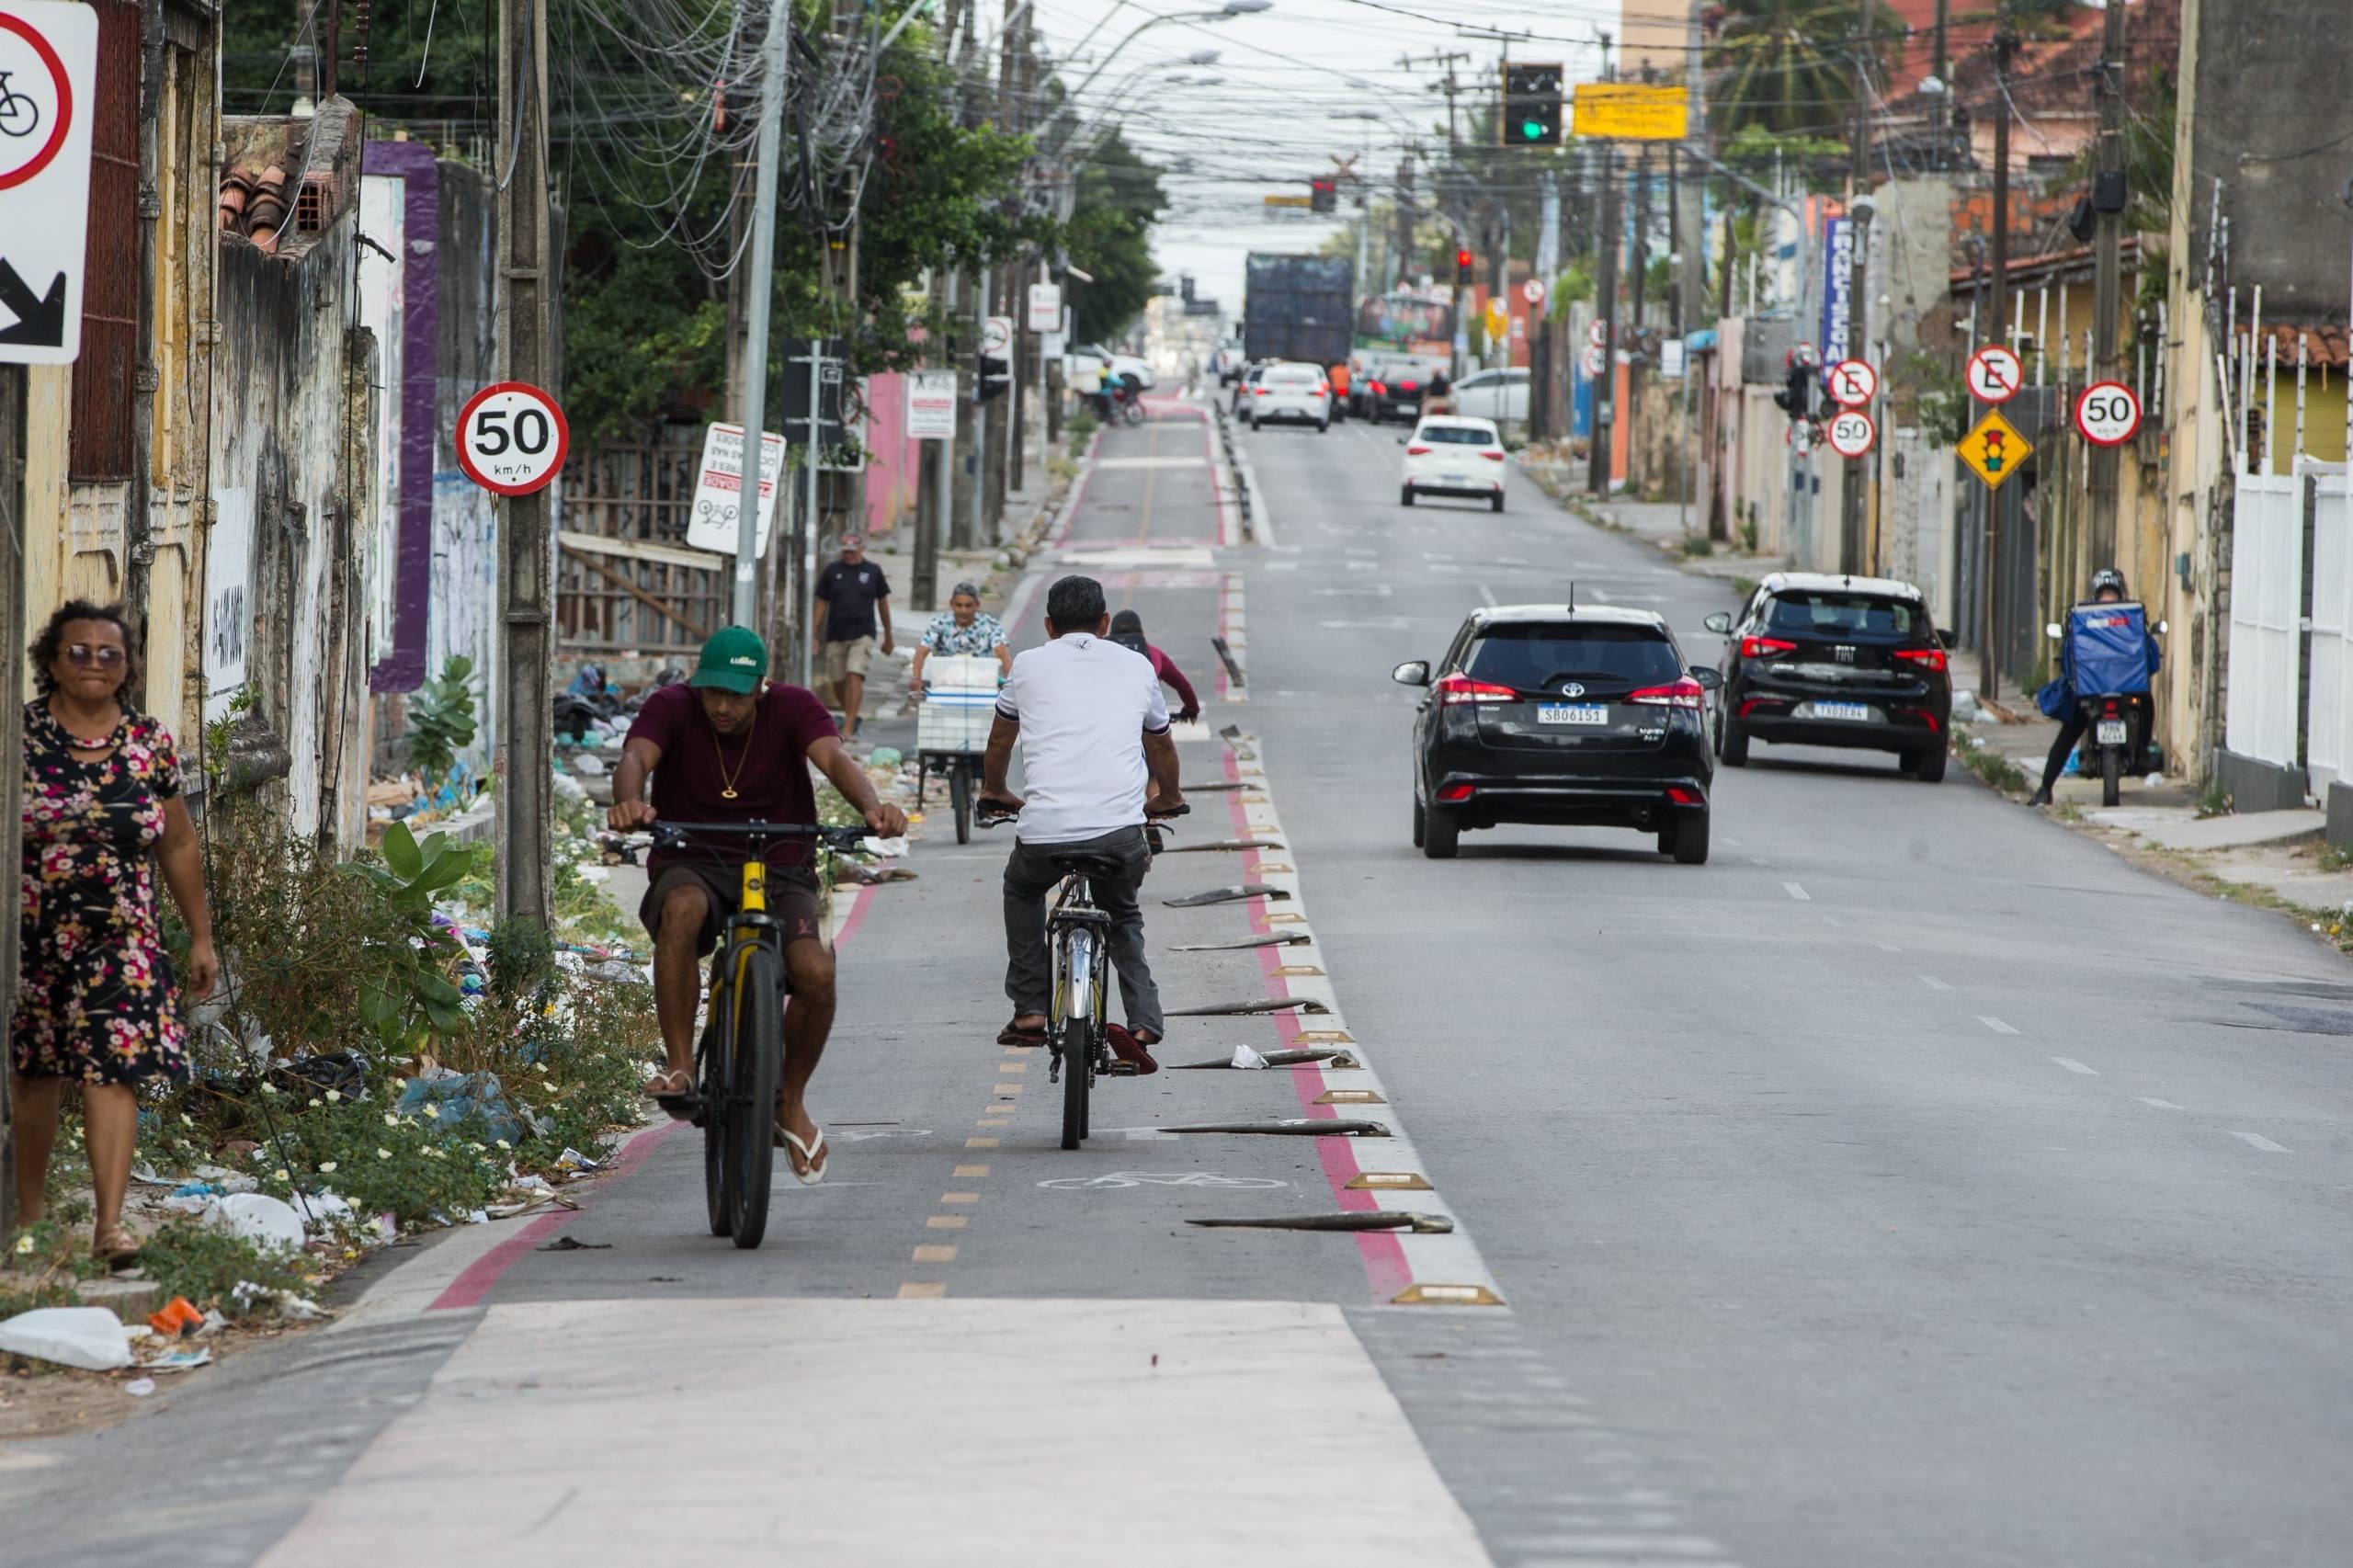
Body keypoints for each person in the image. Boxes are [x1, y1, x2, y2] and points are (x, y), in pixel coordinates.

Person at [608, 626, 907, 1184]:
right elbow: (635, 757)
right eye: (713, 693)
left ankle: (789, 1100)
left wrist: (872, 807)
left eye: (736, 696)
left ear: (761, 688)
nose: (722, 707)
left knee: (816, 970)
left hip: (783, 861)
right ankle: (679, 1066)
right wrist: (628, 801)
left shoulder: (795, 707)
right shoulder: (671, 706)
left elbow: (834, 759)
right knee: (684, 910)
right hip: (691, 856)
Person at [13, 600, 218, 1267]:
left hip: (123, 936)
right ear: (50, 662)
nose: (94, 664)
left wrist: (201, 936)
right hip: (29, 935)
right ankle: (33, 1220)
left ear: (127, 667)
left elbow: (179, 844)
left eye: (109, 653)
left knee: (114, 1069)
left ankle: (109, 1228)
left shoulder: (149, 743)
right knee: (36, 1074)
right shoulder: (18, 738)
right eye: (78, 651)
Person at [979, 576, 1185, 1062]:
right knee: (1122, 911)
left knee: (1023, 889)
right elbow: (1161, 743)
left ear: (1049, 626)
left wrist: (995, 791)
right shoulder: (1137, 666)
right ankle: (1144, 1021)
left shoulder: (1026, 666)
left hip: (1044, 833)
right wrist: (1168, 798)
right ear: (1105, 623)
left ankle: (1030, 1009)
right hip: (1119, 832)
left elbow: (999, 743)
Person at [2030, 567, 2161, 807]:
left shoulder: (2090, 618)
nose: (2108, 600)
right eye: (2106, 595)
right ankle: (2045, 786)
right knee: (2069, 732)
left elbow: (2069, 663)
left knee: (2071, 731)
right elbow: (2152, 662)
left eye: (2111, 594)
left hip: (2099, 692)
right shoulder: (2128, 617)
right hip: (2111, 693)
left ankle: (2044, 788)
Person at [812, 533, 894, 742]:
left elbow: (883, 604)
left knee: (854, 674)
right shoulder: (832, 571)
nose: (848, 555)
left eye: (852, 551)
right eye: (845, 551)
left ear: (861, 549)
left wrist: (888, 636)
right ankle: (851, 714)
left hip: (863, 634)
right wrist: (813, 635)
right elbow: (821, 604)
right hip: (836, 634)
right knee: (838, 681)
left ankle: (848, 728)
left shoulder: (873, 571)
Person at [909, 581, 1012, 696]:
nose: (963, 610)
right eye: (959, 605)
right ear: (951, 604)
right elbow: (922, 650)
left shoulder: (989, 623)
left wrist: (1011, 683)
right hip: (946, 681)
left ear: (977, 605)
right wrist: (916, 677)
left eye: (968, 606)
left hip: (981, 682)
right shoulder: (940, 622)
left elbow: (1002, 651)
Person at [1108, 609, 1201, 722]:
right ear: (1142, 634)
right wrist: (1192, 709)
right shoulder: (1153, 652)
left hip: (1109, 715)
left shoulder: (1102, 652)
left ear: (1110, 634)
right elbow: (1182, 684)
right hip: (1144, 715)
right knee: (1161, 738)